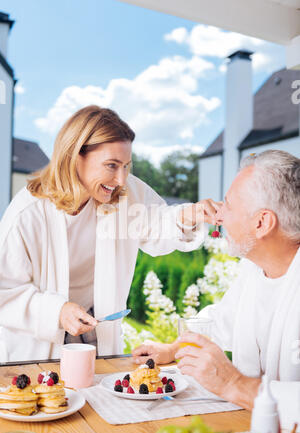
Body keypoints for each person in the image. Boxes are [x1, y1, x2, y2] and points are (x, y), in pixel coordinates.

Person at [0, 105, 220, 362]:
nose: (121, 179)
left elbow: (157, 222)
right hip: (37, 344)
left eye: (126, 166)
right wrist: (57, 312)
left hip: (97, 329)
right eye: (111, 165)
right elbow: (5, 292)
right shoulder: (28, 214)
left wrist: (187, 215)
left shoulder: (123, 194)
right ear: (75, 156)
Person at [132, 150, 300, 411]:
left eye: (229, 206)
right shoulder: (254, 269)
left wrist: (233, 384)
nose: (218, 217)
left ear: (262, 222)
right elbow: (223, 321)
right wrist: (173, 349)